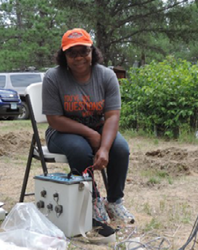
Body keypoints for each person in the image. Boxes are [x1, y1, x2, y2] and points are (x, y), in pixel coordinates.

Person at [43, 28, 134, 227]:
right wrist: (90, 134)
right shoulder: (53, 77)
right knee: (80, 150)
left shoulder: (106, 76)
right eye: (72, 53)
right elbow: (54, 119)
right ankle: (91, 199)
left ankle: (114, 201)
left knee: (120, 149)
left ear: (92, 51)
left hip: (99, 127)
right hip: (61, 131)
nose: (79, 58)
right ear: (63, 55)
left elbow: (112, 116)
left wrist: (104, 148)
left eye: (84, 51)